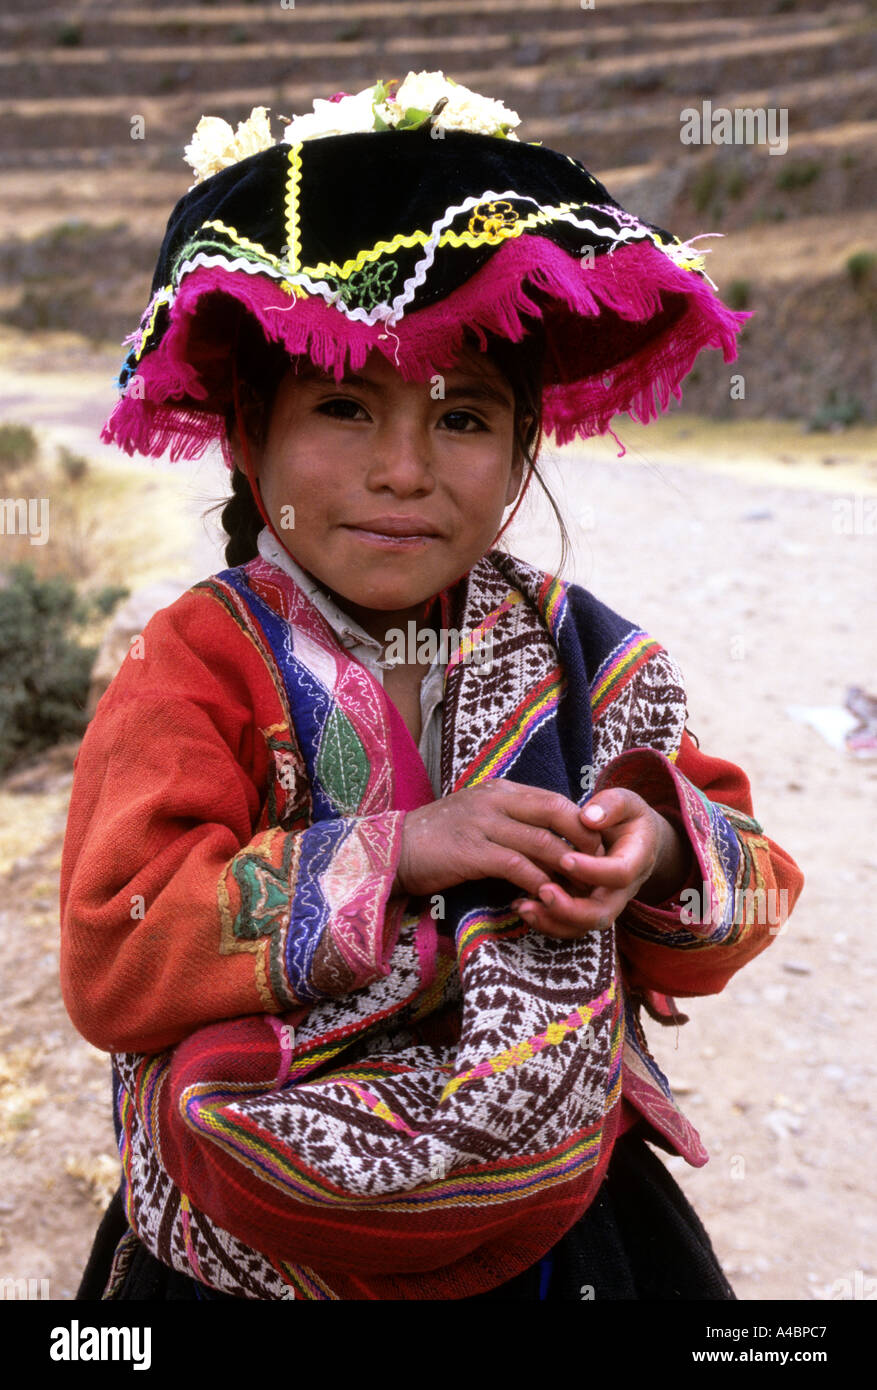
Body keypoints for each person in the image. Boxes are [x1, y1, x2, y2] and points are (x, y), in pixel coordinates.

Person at [60, 73, 804, 1301]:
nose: (404, 470)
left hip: (562, 1220)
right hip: (255, 1241)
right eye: (345, 407)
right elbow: (114, 947)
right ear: (249, 433)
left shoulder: (575, 649)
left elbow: (755, 878)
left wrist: (655, 844)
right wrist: (401, 847)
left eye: (464, 418)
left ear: (524, 450)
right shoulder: (197, 664)